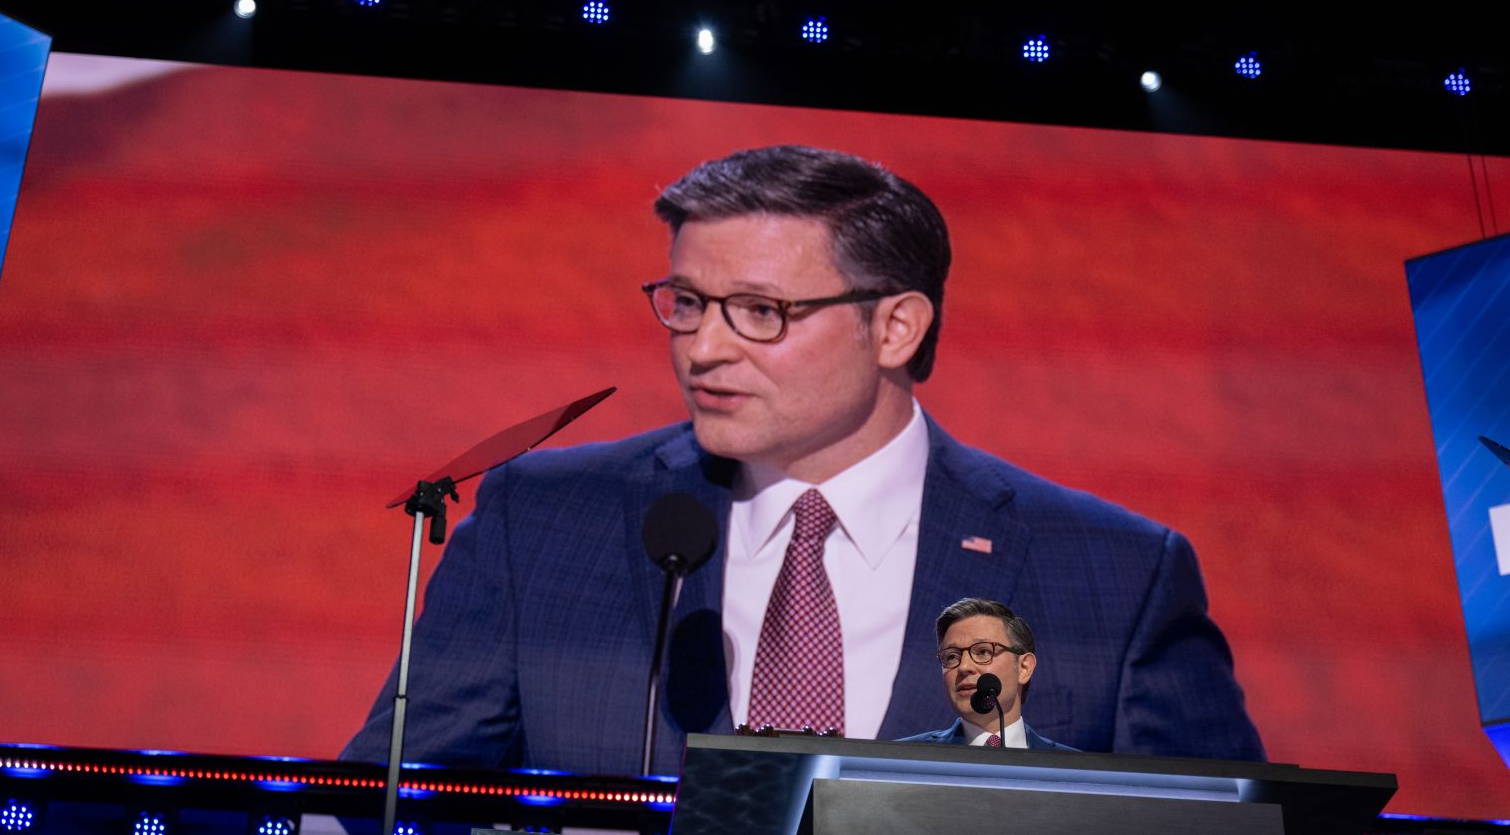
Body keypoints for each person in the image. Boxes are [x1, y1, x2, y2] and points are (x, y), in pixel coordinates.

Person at [342, 144, 1264, 775]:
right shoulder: (543, 523)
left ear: (895, 326)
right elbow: (376, 823)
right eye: (688, 302)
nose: (703, 349)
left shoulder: (1112, 574)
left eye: (759, 311)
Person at [897, 598, 1078, 750]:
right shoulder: (905, 759)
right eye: (952, 656)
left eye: (983, 652)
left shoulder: (1075, 769)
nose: (964, 667)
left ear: (1024, 668)